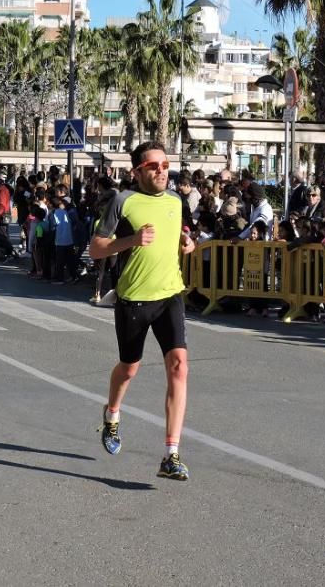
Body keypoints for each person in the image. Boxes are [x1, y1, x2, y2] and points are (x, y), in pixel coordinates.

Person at [89, 141, 195, 481]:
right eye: (153, 166)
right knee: (129, 369)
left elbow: (175, 232)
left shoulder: (177, 201)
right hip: (134, 298)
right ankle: (112, 413)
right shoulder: (123, 201)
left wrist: (185, 242)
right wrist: (132, 240)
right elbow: (96, 249)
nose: (162, 170)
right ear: (137, 171)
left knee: (179, 366)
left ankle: (171, 453)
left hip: (170, 294)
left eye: (165, 164)